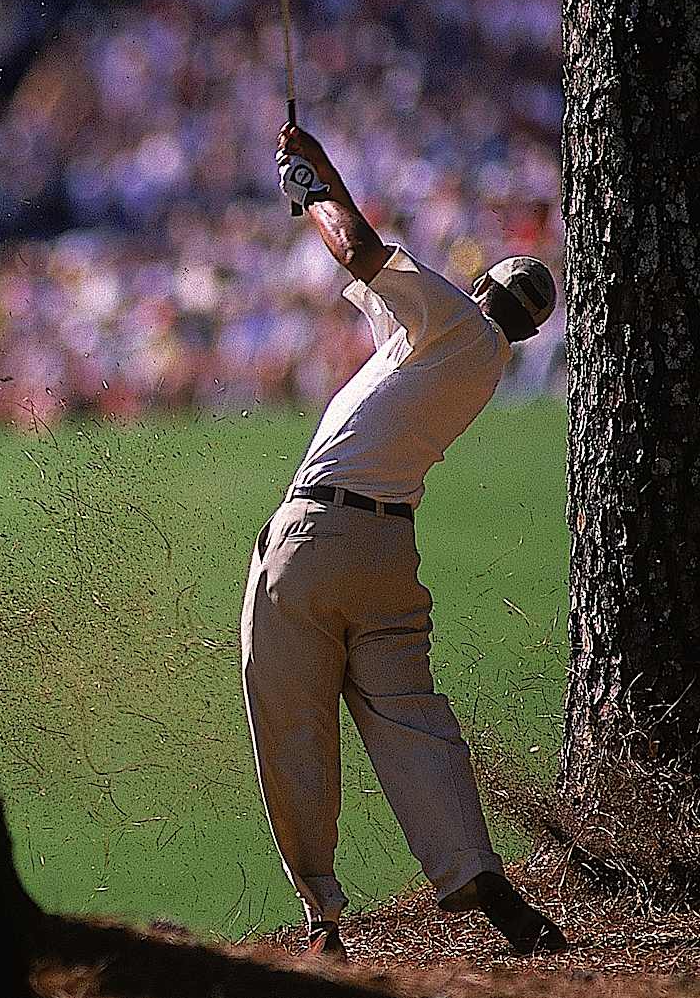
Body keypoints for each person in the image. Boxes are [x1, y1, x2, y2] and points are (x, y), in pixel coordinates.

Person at [243, 123, 569, 959]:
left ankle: (322, 919)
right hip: (389, 554)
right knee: (412, 722)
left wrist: (308, 187)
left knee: (293, 722)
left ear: (479, 284)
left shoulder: (452, 320)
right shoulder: (463, 354)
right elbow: (360, 247)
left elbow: (355, 246)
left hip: (315, 536)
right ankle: (477, 876)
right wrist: (317, 170)